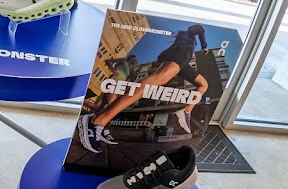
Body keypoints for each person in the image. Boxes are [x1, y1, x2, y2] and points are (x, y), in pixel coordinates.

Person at [77, 25, 211, 153]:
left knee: (203, 84)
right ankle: (97, 121)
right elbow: (200, 28)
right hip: (180, 54)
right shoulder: (189, 37)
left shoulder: (186, 41)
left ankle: (186, 112)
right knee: (158, 80)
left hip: (183, 60)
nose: (134, 62)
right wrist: (204, 45)